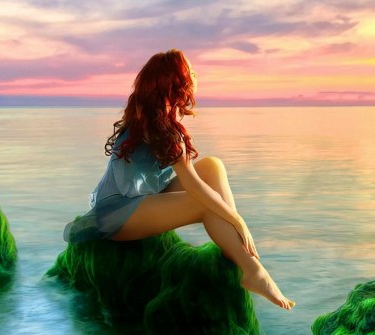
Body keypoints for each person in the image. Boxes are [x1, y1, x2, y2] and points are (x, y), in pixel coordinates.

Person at [64, 49, 295, 311]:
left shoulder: (157, 117)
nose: (195, 74)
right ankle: (253, 270)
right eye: (190, 70)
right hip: (118, 214)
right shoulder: (159, 126)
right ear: (175, 81)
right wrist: (238, 219)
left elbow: (195, 177)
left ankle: (236, 248)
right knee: (205, 203)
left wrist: (232, 220)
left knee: (212, 166)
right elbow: (194, 187)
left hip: (141, 199)